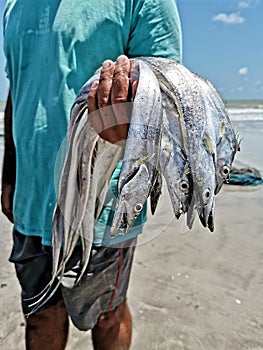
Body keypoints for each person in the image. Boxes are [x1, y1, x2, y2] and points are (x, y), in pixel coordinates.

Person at [1, 1, 182, 349]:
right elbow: (19, 87)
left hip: (106, 203)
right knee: (39, 313)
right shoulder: (13, 5)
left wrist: (129, 124)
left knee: (106, 314)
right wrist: (10, 173)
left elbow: (168, 90)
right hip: (32, 198)